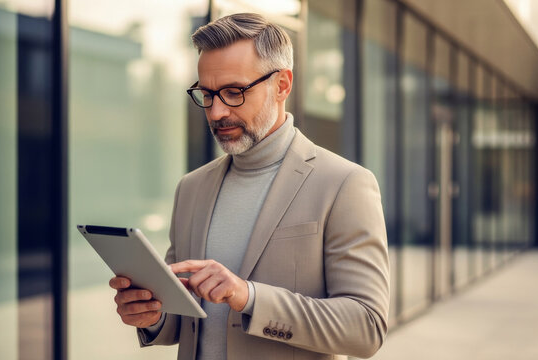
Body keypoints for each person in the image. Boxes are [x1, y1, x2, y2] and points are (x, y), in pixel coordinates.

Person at [109, 13, 389, 360]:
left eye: (233, 92)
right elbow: (181, 320)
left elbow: (366, 328)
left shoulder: (345, 184)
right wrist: (150, 315)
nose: (215, 112)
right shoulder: (191, 188)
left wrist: (249, 297)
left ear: (283, 85)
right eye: (207, 94)